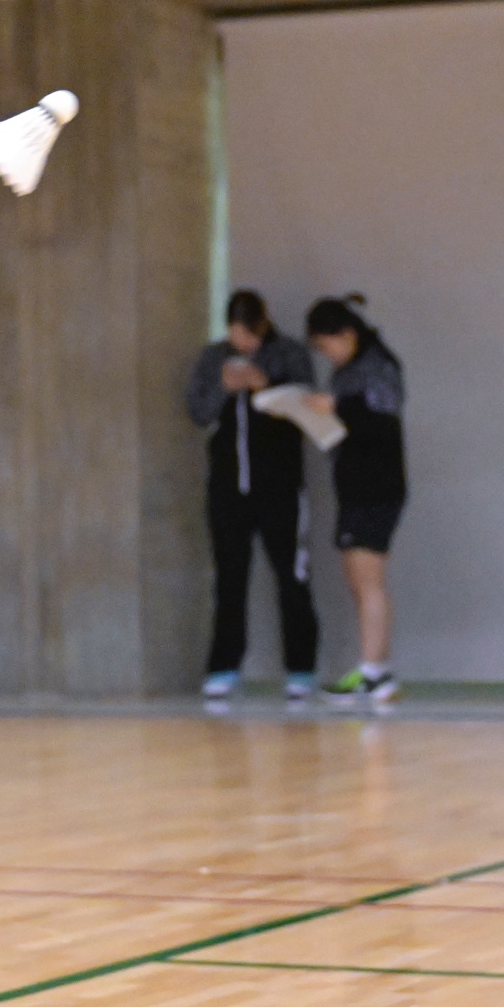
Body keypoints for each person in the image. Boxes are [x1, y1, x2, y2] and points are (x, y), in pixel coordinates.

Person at [185, 290, 320, 702]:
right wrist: (224, 388)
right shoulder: (213, 357)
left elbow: (309, 410)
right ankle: (224, 666)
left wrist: (267, 386)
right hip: (228, 487)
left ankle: (301, 668)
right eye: (236, 335)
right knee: (230, 578)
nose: (242, 343)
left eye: (249, 334)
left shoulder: (290, 354)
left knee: (291, 578)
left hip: (280, 486)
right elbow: (197, 412)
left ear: (263, 324)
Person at [304, 296, 405, 705]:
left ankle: (374, 671)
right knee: (358, 578)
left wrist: (338, 406)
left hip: (376, 486)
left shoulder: (378, 366)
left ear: (346, 334)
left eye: (327, 344)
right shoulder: (347, 371)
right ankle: (374, 668)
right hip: (354, 483)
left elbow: (381, 420)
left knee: (369, 579)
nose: (327, 354)